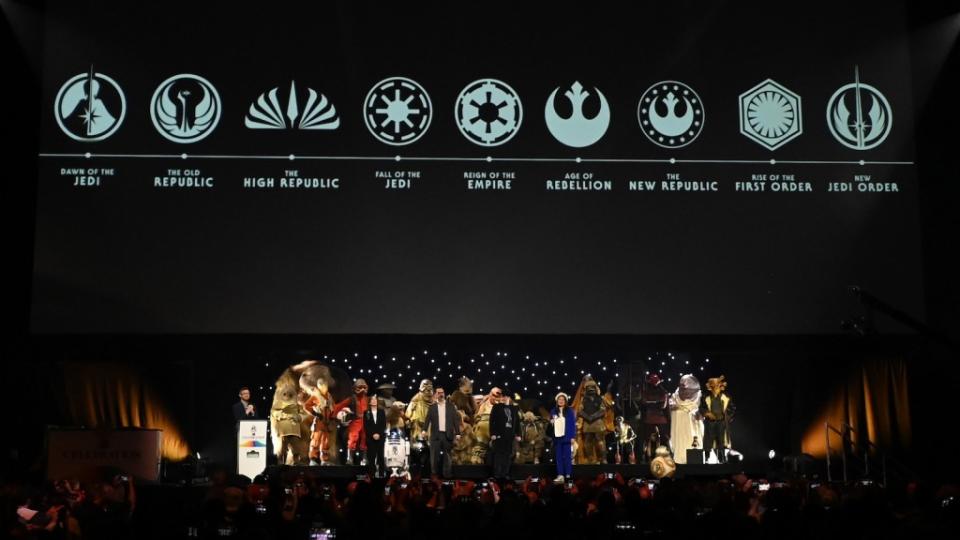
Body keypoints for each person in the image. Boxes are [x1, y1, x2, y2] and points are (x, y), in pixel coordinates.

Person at [422, 387, 460, 478]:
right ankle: (434, 474)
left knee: (447, 456)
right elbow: (427, 420)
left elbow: (455, 420)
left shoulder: (450, 406)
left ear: (444, 393)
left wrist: (458, 433)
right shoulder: (432, 407)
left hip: (447, 434)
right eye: (439, 393)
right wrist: (424, 430)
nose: (441, 394)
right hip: (436, 435)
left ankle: (447, 475)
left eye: (442, 392)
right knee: (434, 456)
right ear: (436, 394)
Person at [669, 374, 704, 464]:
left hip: (690, 425)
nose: (684, 391)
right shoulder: (674, 397)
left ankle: (693, 460)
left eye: (686, 388)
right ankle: (681, 460)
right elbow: (671, 407)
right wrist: (676, 407)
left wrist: (699, 416)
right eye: (682, 387)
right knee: (680, 443)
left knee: (692, 442)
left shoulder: (696, 397)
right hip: (679, 424)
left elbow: (698, 410)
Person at [700, 376, 736, 464]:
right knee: (708, 442)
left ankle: (722, 459)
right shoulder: (705, 397)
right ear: (710, 387)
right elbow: (701, 408)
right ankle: (707, 459)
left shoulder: (725, 397)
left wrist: (727, 417)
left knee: (721, 442)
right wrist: (707, 413)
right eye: (714, 386)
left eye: (717, 386)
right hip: (710, 423)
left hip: (721, 422)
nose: (716, 388)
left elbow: (732, 408)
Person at [489, 394, 521, 480]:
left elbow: (517, 422)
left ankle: (505, 474)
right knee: (499, 455)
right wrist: (492, 433)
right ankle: (497, 474)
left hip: (510, 435)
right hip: (499, 434)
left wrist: (518, 434)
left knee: (508, 455)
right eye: (502, 396)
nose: (504, 398)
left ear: (509, 398)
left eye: (506, 396)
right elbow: (492, 421)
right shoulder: (497, 407)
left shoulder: (514, 408)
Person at [550, 392, 576, 483]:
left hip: (567, 437)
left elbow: (572, 424)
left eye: (562, 399)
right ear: (557, 401)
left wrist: (572, 436)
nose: (561, 401)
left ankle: (568, 474)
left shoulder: (570, 411)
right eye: (559, 400)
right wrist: (552, 422)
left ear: (565, 401)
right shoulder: (553, 411)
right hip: (557, 438)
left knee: (568, 457)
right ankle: (560, 474)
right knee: (559, 457)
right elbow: (551, 424)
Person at [364, 394, 387, 476]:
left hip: (380, 438)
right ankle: (372, 475)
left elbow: (383, 425)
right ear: (369, 402)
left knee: (381, 457)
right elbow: (366, 426)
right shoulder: (366, 412)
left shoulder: (381, 412)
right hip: (370, 439)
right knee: (371, 457)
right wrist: (373, 434)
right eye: (372, 400)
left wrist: (379, 434)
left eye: (375, 399)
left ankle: (381, 474)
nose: (374, 401)